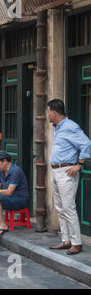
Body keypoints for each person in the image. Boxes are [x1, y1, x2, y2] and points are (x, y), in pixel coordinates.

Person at [46, 99, 91, 255]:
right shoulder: (57, 127)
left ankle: (76, 243)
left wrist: (79, 164)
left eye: (48, 111)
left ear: (54, 112)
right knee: (60, 207)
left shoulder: (70, 127)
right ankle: (66, 240)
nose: (47, 115)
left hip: (66, 171)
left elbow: (86, 144)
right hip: (55, 171)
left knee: (68, 207)